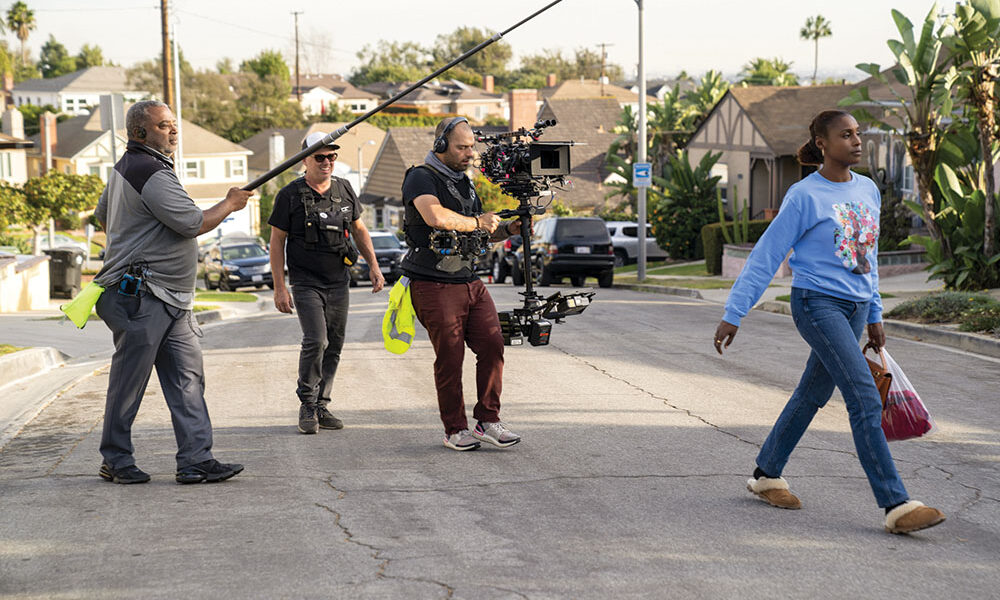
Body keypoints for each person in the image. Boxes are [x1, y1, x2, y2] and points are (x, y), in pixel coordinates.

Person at [713, 110, 946, 534]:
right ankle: (896, 504)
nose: (857, 141)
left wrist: (874, 313)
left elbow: (867, 260)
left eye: (858, 133)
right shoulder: (805, 195)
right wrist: (735, 312)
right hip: (817, 305)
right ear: (822, 143)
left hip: (856, 308)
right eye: (846, 135)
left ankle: (767, 474)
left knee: (811, 395)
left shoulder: (868, 190)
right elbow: (767, 255)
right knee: (863, 397)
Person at [93, 100, 253, 484]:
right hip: (142, 296)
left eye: (174, 125)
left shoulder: (128, 168)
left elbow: (103, 213)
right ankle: (115, 459)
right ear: (140, 133)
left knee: (187, 380)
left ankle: (196, 459)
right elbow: (192, 223)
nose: (173, 131)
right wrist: (230, 204)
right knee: (129, 384)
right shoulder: (148, 171)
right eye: (164, 126)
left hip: (170, 299)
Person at [400, 116, 524, 451]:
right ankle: (455, 429)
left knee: (493, 345)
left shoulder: (465, 183)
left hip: (469, 279)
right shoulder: (420, 178)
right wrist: (476, 222)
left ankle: (488, 420)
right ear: (440, 145)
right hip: (433, 282)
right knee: (451, 358)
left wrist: (508, 230)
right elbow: (435, 217)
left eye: (472, 147)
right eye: (462, 147)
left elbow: (480, 231)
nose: (470, 153)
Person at [269, 132, 385, 434]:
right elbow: (276, 241)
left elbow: (360, 230)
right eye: (320, 157)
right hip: (306, 283)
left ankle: (322, 404)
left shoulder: (344, 189)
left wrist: (373, 266)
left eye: (331, 156)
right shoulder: (289, 195)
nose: (327, 162)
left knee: (334, 345)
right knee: (315, 340)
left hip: (338, 281)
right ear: (304, 160)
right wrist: (280, 287)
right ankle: (307, 403)